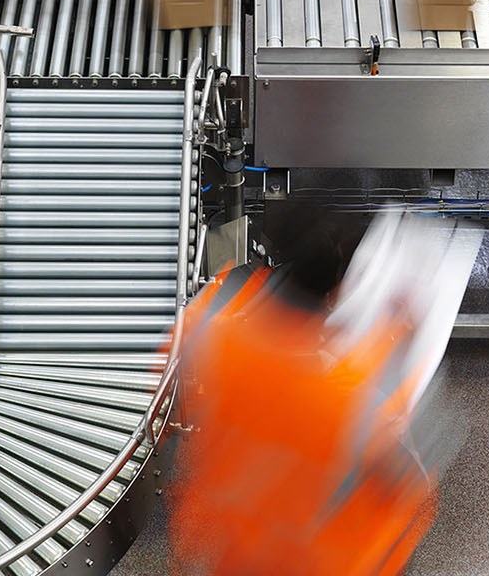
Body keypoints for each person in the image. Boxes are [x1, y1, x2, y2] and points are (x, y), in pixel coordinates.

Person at [168, 207, 438, 576]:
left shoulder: (213, 337)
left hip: (227, 548)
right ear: (335, 292)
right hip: (304, 560)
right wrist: (399, 335)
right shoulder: (341, 397)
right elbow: (404, 485)